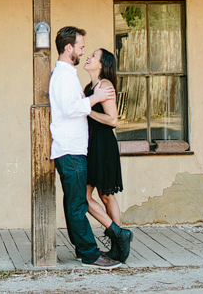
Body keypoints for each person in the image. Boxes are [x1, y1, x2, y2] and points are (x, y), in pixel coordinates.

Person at [49, 26, 120, 269]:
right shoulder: (63, 76)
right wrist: (94, 100)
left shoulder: (68, 75)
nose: (83, 51)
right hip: (70, 149)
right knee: (78, 204)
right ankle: (90, 254)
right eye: (80, 46)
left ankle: (84, 250)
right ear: (69, 48)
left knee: (77, 203)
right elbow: (70, 109)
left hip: (76, 149)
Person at [83, 48, 134, 263]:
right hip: (90, 145)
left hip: (103, 146)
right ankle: (119, 234)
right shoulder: (90, 87)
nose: (89, 57)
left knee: (106, 195)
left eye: (94, 56)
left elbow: (113, 120)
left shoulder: (105, 86)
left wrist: (87, 110)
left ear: (102, 65)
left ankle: (118, 244)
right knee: (84, 197)